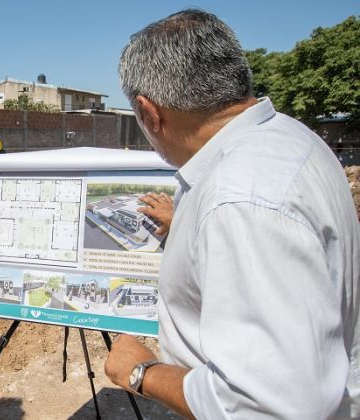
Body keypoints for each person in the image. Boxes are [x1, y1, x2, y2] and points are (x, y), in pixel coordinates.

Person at [104, 9, 360, 419]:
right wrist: (188, 226)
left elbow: (263, 405)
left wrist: (141, 372)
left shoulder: (239, 202)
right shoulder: (290, 137)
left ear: (149, 112)